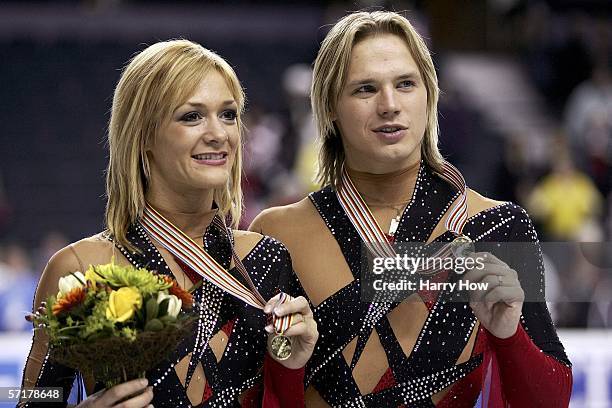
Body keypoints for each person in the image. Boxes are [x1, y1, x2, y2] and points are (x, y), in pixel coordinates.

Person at [250, 11, 572, 407]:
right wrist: (285, 367)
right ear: (330, 106)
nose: (389, 105)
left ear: (429, 95)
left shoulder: (494, 226)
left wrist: (509, 335)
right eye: (365, 89)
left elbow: (549, 402)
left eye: (405, 84)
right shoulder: (280, 233)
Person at [19, 39, 318, 408]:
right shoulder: (80, 269)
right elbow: (29, 398)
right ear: (144, 134)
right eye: (192, 116)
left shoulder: (267, 260)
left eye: (228, 114)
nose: (219, 133)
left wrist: (292, 366)